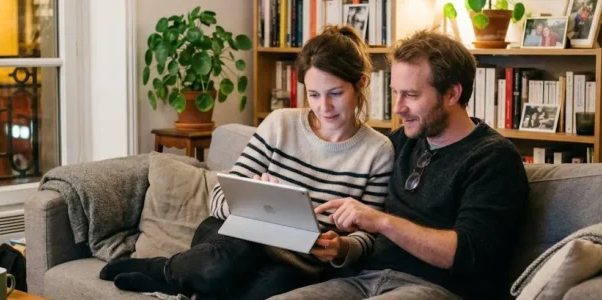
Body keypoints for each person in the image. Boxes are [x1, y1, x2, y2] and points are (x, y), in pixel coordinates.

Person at [98, 25, 395, 300]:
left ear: (360, 84)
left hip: (299, 261)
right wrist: (249, 197)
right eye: (314, 94)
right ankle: (165, 270)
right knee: (218, 267)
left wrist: (342, 247)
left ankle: (173, 280)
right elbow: (219, 196)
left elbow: (369, 237)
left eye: (335, 94)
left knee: (259, 293)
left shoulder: (377, 150)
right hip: (234, 237)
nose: (323, 107)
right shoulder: (280, 124)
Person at [270, 30, 529, 300]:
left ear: (452, 93)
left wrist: (382, 222)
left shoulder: (493, 158)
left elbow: (465, 254)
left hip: (437, 289)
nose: (398, 108)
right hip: (364, 280)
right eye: (395, 93)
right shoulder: (400, 143)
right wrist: (342, 244)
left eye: (411, 95)